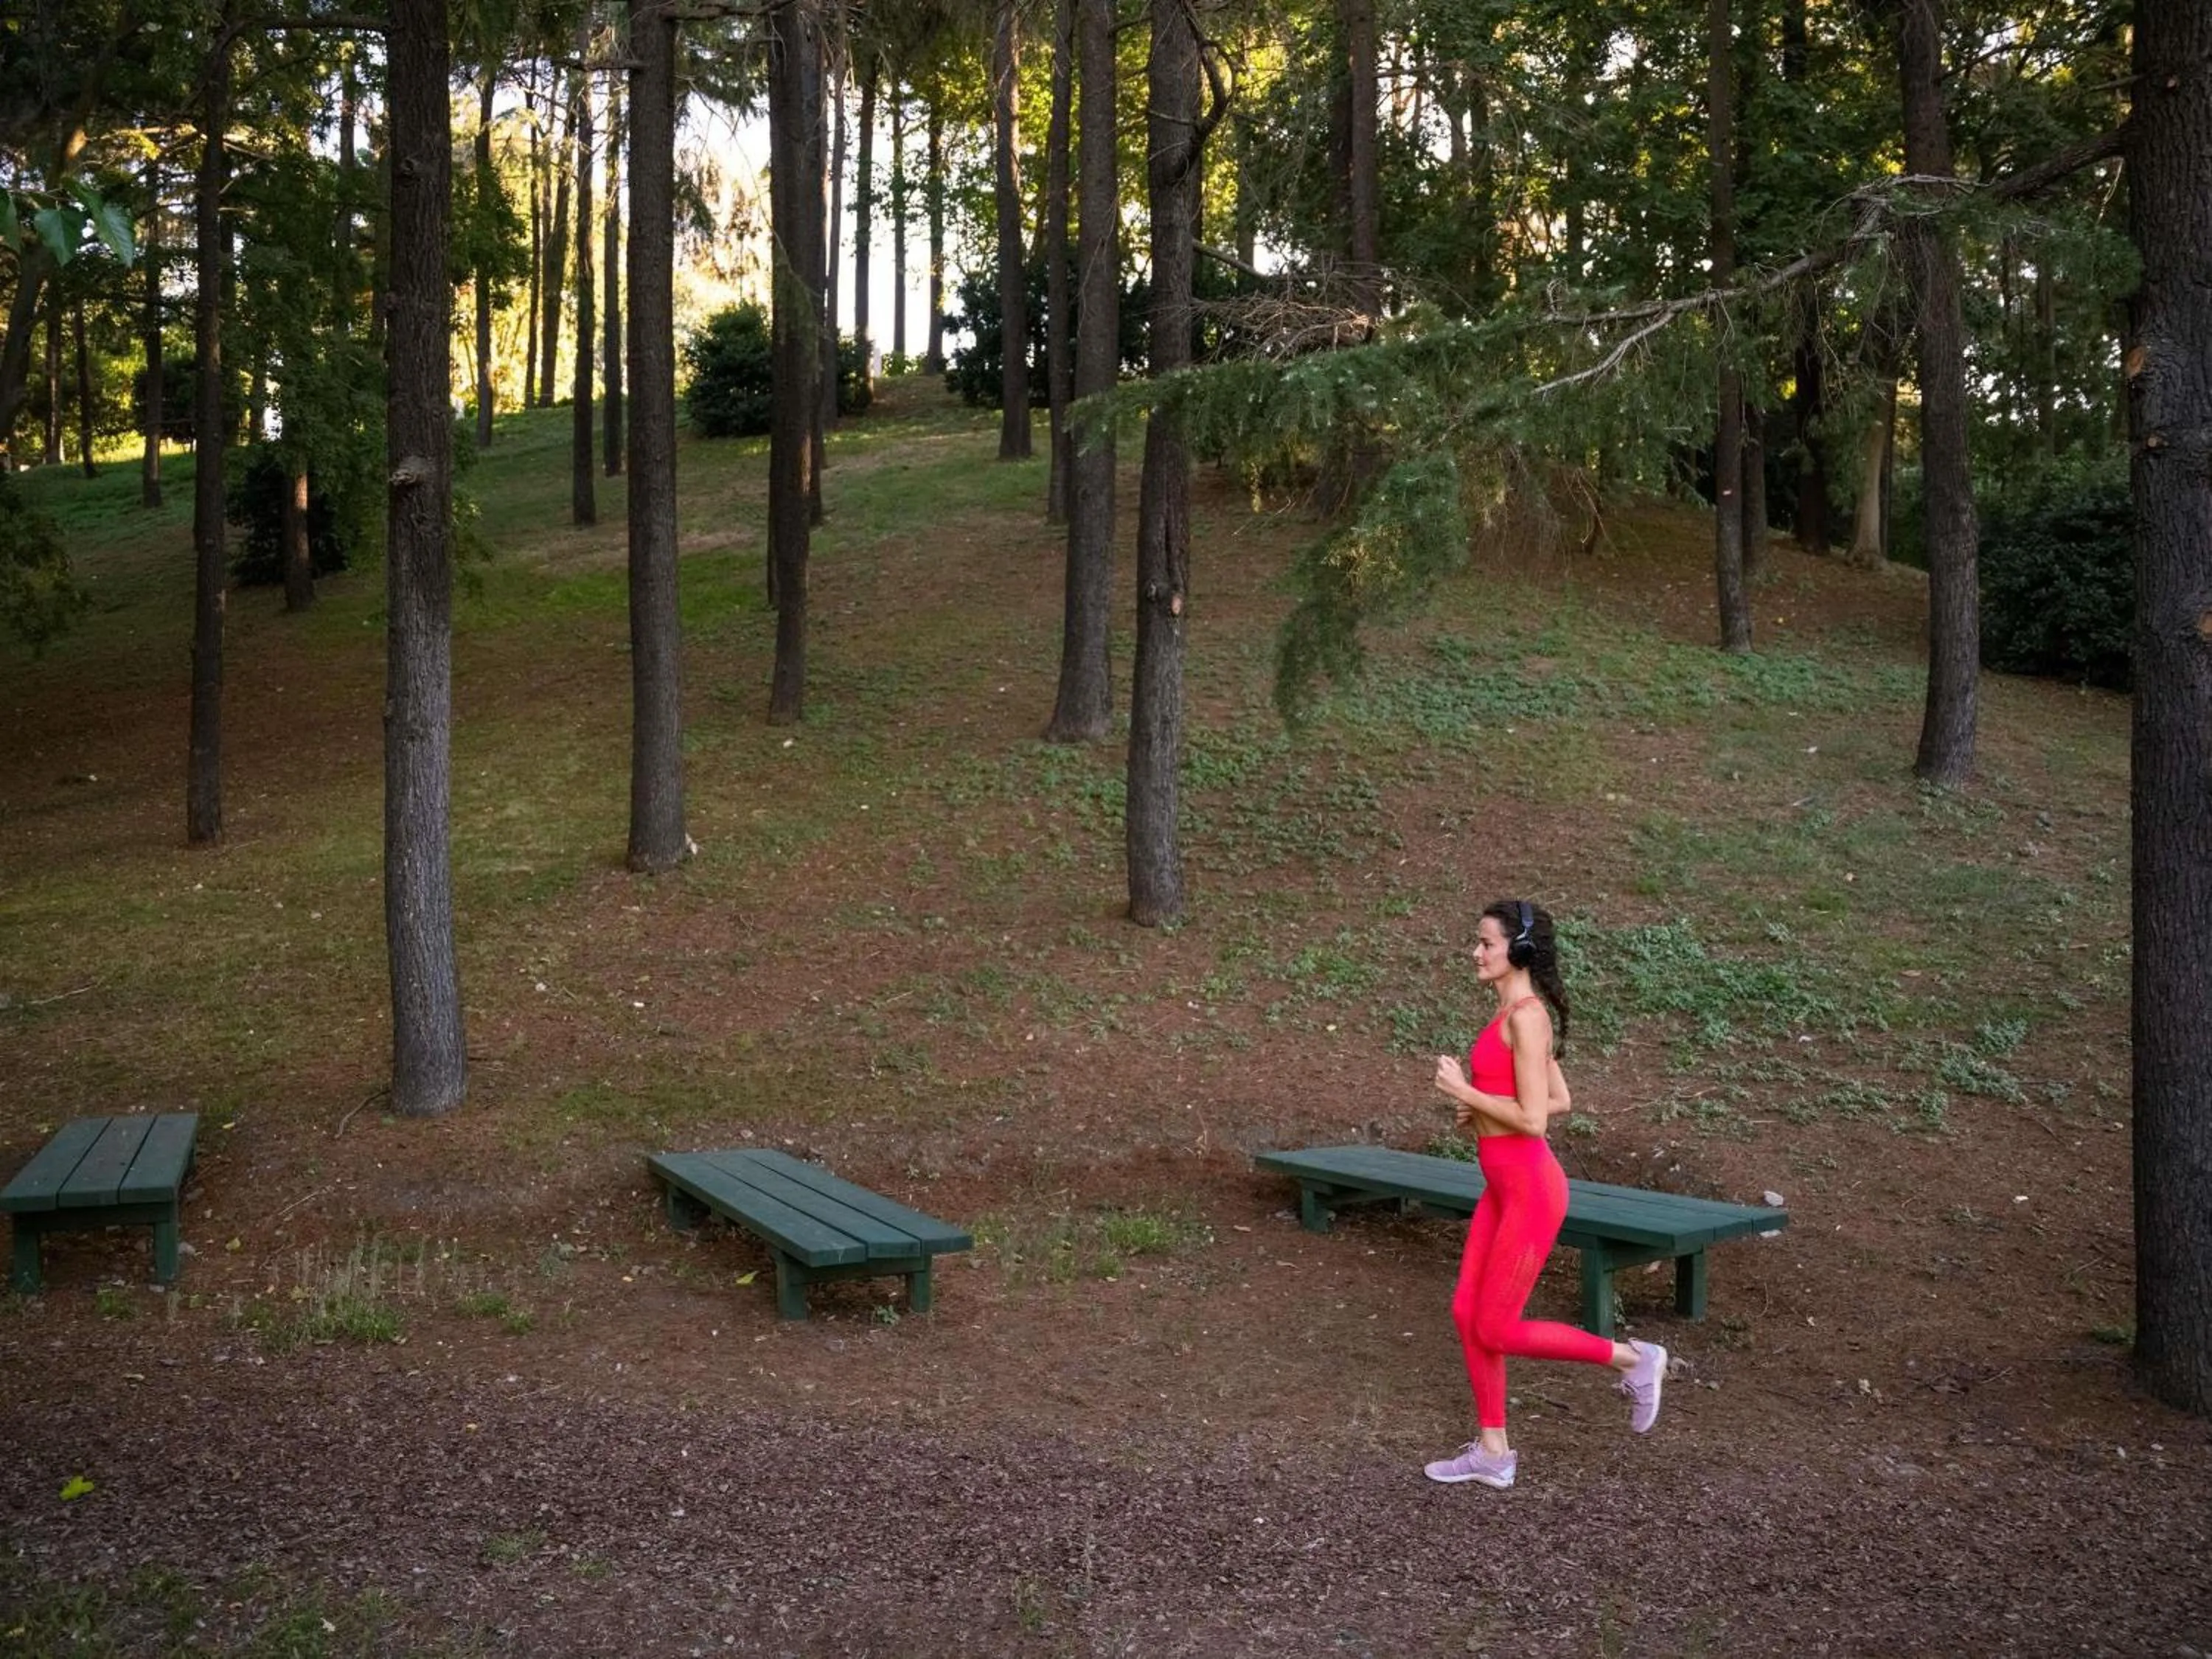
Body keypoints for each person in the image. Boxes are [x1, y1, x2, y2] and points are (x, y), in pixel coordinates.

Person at [1423, 898, 1668, 1489]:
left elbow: (1535, 1122)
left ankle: (1637, 1360)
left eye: (1486, 943)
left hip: (1531, 1188)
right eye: (1477, 941)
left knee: (1498, 1328)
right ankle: (1492, 1452)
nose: (1476, 953)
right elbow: (1558, 1099)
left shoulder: (1527, 1018)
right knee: (1466, 1312)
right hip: (1502, 1188)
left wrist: (1467, 1092)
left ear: (1521, 950)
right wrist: (1478, 1112)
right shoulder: (1508, 1012)